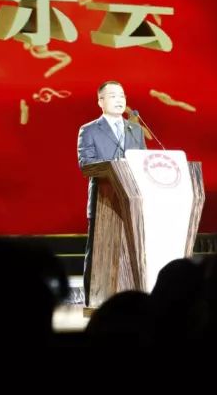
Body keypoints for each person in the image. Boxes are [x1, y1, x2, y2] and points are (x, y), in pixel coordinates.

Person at [77, 81, 147, 306]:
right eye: (113, 96)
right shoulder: (89, 130)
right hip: (104, 200)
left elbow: (143, 162)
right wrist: (115, 167)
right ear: (100, 101)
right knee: (99, 251)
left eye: (122, 96)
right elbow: (86, 164)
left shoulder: (135, 130)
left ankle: (132, 300)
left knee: (131, 252)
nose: (119, 100)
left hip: (132, 201)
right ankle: (94, 301)